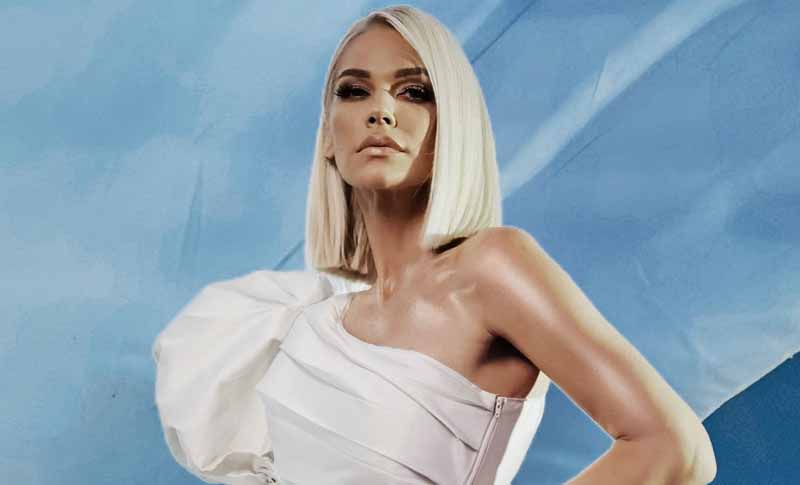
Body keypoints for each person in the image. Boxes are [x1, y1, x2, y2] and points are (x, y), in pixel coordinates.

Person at [153, 5, 717, 484]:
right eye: (354, 91)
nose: (380, 110)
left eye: (414, 92)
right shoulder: (311, 325)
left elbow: (676, 449)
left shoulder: (491, 268)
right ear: (327, 136)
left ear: (452, 125)